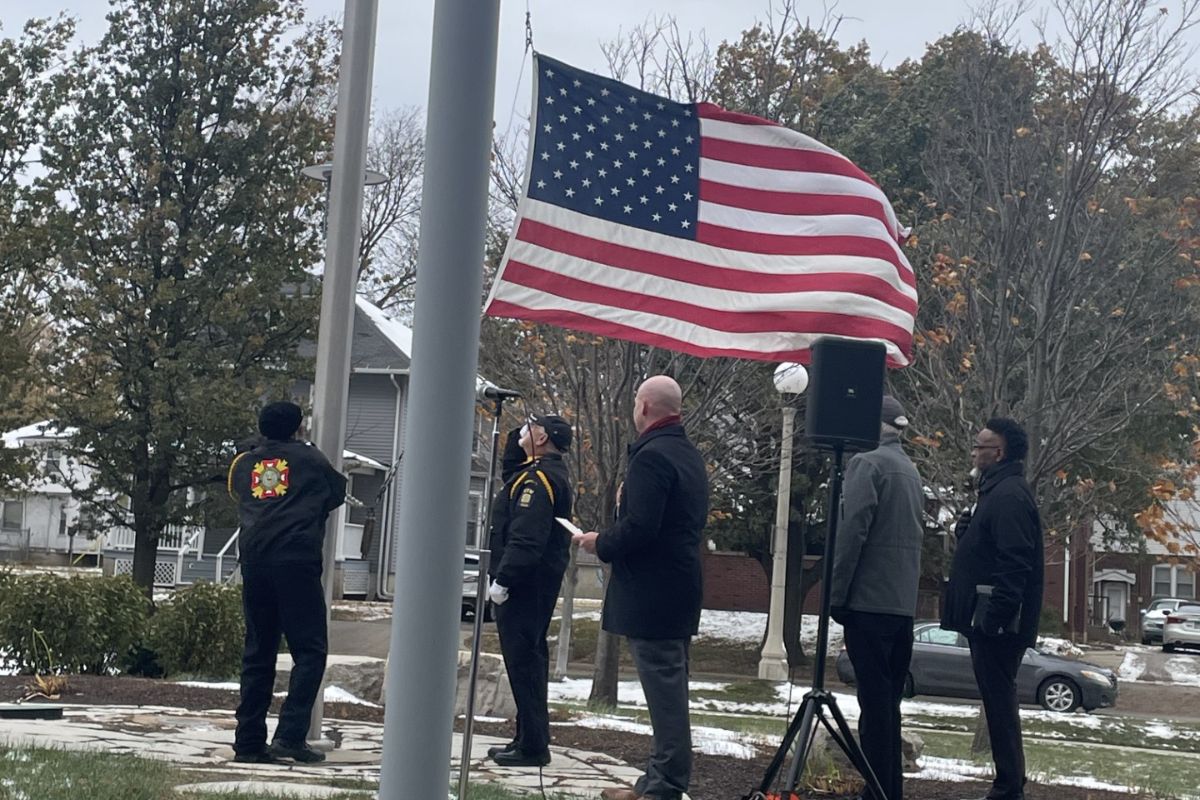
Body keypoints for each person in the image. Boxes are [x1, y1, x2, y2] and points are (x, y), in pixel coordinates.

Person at [574, 375, 709, 800]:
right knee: (668, 691)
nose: (634, 407)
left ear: (645, 406)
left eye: (635, 400)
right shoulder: (687, 454)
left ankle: (664, 786)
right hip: (677, 587)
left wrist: (601, 542)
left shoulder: (651, 457)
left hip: (654, 593)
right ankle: (653, 781)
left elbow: (642, 528)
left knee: (665, 694)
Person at [226, 401, 347, 764]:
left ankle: (249, 741)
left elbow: (237, 492)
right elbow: (336, 493)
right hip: (296, 561)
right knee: (309, 652)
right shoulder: (310, 459)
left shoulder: (244, 462)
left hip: (255, 562)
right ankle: (290, 736)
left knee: (258, 651)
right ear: (298, 427)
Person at [941, 417, 1044, 800]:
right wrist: (967, 535)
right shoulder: (994, 493)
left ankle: (1008, 788)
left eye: (979, 446)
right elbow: (990, 550)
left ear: (997, 453)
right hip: (988, 621)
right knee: (997, 700)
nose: (974, 452)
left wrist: (994, 618)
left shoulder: (1010, 496)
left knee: (1000, 702)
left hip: (999, 626)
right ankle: (1008, 785)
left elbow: (1015, 562)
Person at [829, 395, 924, 800]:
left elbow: (853, 531)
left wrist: (837, 594)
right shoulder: (910, 470)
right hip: (901, 606)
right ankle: (888, 790)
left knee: (874, 707)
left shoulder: (866, 464)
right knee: (889, 706)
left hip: (868, 602)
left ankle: (877, 791)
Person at [486, 414, 574, 767]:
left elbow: (526, 538)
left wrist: (504, 579)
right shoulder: (537, 472)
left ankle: (534, 746)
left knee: (525, 664)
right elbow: (511, 467)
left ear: (542, 438)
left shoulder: (539, 481)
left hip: (526, 584)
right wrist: (514, 433)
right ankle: (527, 737)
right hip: (532, 582)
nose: (526, 430)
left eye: (531, 427)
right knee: (525, 662)